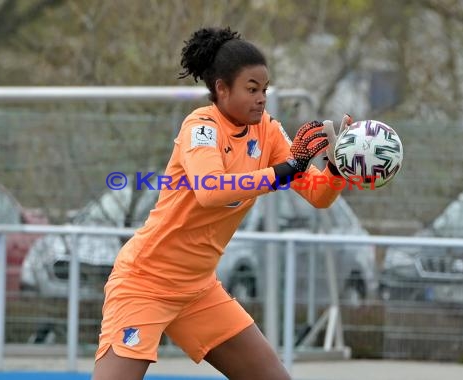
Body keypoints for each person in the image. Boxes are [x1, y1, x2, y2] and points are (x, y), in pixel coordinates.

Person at [92, 26, 351, 380]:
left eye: (265, 90)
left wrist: (339, 167)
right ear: (221, 89)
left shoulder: (269, 131)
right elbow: (211, 191)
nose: (261, 98)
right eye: (251, 89)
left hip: (198, 290)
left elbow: (318, 196)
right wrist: (288, 168)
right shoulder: (201, 127)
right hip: (145, 282)